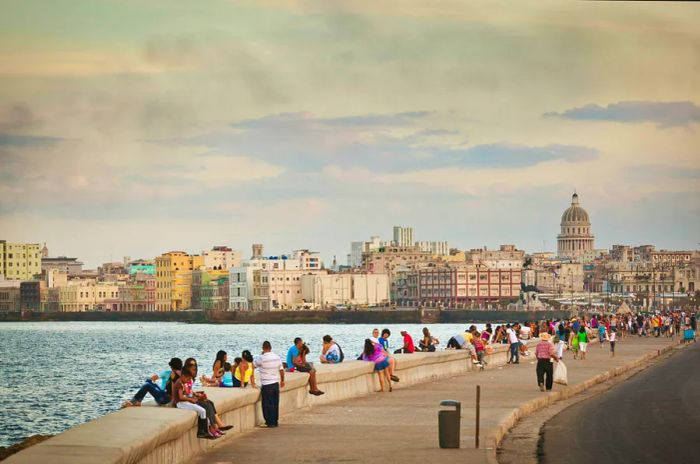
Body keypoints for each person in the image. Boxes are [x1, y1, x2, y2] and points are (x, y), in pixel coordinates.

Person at [172, 365, 218, 439]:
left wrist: (195, 395)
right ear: (183, 376)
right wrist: (190, 399)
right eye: (187, 379)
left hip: (184, 402)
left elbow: (186, 394)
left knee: (203, 411)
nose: (188, 381)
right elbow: (180, 397)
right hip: (180, 403)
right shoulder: (179, 383)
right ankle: (202, 432)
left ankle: (203, 431)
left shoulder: (182, 382)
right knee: (202, 410)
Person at [254, 340, 285, 428]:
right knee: (275, 403)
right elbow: (281, 370)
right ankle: (275, 421)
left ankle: (269, 422)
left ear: (263, 348)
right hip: (275, 383)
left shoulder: (262, 358)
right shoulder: (277, 357)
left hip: (267, 383)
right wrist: (282, 380)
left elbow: (253, 365)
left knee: (267, 404)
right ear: (271, 348)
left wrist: (261, 354)